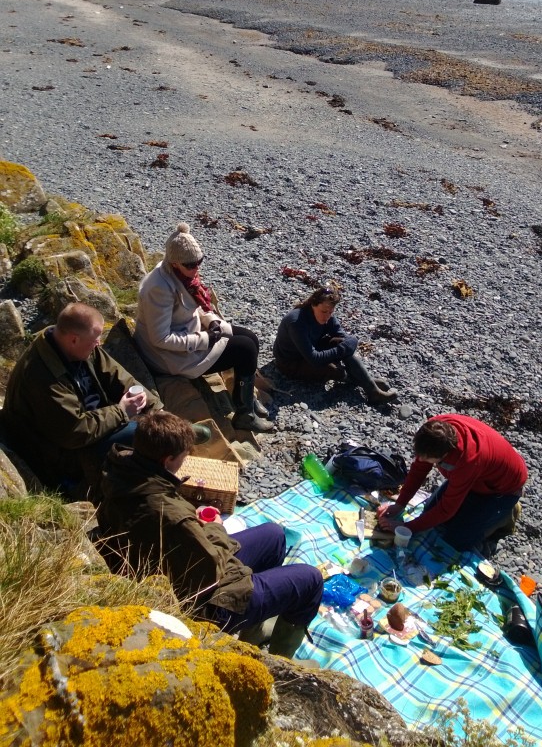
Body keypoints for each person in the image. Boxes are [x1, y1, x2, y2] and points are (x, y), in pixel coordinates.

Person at [98, 412, 323, 657]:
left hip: (177, 565)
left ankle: (253, 634)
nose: (186, 459)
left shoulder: (123, 470)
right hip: (209, 603)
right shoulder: (172, 516)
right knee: (310, 580)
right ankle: (281, 665)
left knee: (274, 535)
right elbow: (210, 572)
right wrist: (215, 526)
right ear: (168, 459)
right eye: (184, 456)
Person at [2, 302, 161, 491]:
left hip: (95, 423)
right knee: (140, 433)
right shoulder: (41, 376)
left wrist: (157, 411)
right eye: (95, 339)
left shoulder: (75, 344)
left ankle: (171, 438)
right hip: (61, 453)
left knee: (153, 425)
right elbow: (74, 431)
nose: (99, 343)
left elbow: (117, 376)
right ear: (74, 340)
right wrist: (121, 411)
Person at [134, 222, 273, 433]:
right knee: (244, 349)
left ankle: (246, 401)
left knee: (251, 337)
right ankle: (244, 414)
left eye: (199, 262)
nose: (196, 268)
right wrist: (206, 339)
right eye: (191, 265)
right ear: (174, 263)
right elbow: (160, 339)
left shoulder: (183, 274)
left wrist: (212, 321)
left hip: (190, 332)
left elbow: (197, 307)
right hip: (168, 356)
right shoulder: (158, 289)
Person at [376, 413, 528, 553]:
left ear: (445, 455)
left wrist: (407, 527)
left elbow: (445, 510)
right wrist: (399, 504)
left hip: (502, 489)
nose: (421, 460)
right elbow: (418, 471)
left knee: (456, 539)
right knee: (431, 515)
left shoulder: (467, 460)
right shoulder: (433, 431)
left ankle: (505, 514)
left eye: (427, 459)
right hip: (475, 477)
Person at [273, 286, 397, 406]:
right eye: (323, 311)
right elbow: (314, 359)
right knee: (332, 369)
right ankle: (369, 384)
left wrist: (345, 345)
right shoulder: (297, 322)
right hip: (290, 362)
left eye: (330, 312)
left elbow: (348, 340)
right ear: (313, 305)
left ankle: (371, 389)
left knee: (340, 343)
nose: (326, 316)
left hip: (312, 348)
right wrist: (343, 348)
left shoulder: (328, 317)